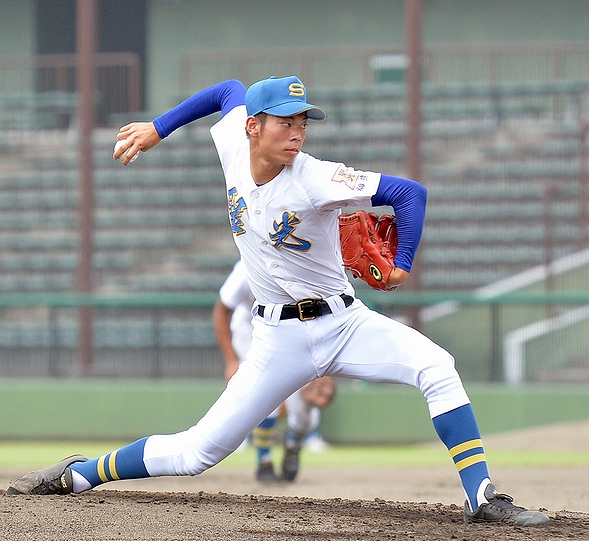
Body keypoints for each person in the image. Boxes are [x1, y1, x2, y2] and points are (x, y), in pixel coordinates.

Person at [7, 75, 549, 526]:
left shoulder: (316, 177)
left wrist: (402, 264)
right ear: (253, 127)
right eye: (285, 122)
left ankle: (481, 497)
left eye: (302, 122)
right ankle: (79, 474)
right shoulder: (232, 146)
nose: (296, 133)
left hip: (345, 323)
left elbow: (410, 193)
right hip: (276, 339)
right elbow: (227, 88)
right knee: (197, 452)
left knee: (438, 367)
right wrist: (158, 128)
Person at [213, 259, 328, 482]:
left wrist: (324, 366)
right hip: (251, 329)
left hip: (296, 331)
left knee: (304, 410)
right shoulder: (247, 267)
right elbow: (221, 309)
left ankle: (293, 445)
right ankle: (264, 461)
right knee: (265, 393)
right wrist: (231, 360)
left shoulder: (303, 261)